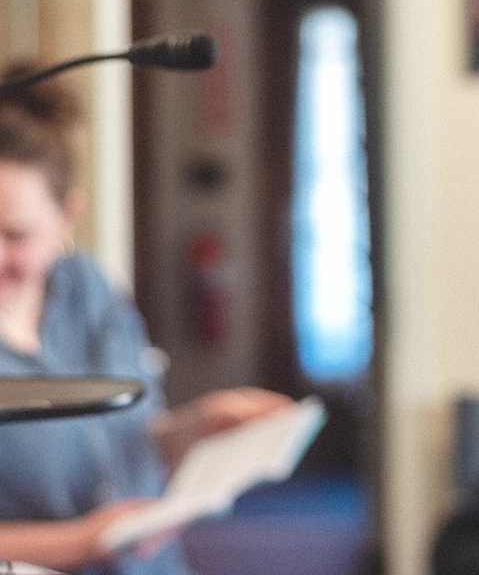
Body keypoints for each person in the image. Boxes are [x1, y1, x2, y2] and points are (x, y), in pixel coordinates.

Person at [0, 68, 293, 574]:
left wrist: (200, 425)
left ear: (68, 219)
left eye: (16, 236)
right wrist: (81, 542)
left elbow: (137, 438)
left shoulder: (88, 291)